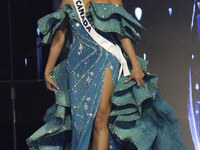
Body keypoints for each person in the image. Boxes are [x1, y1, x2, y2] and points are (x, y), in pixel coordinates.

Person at [26, 0, 189, 149]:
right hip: (77, 66)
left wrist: (135, 64)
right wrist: (48, 70)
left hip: (105, 59)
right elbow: (59, 37)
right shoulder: (68, 1)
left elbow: (122, 33)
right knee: (82, 124)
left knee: (99, 118)